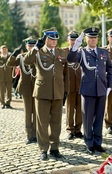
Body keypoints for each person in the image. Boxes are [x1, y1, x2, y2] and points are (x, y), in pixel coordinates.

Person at [23, 28, 68, 161]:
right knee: (42, 122)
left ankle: (55, 148)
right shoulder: (38, 52)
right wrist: (36, 47)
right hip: (42, 92)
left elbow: (66, 72)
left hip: (58, 92)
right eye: (51, 39)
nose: (54, 41)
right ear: (45, 39)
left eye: (56, 39)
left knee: (56, 122)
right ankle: (43, 149)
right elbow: (26, 61)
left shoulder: (61, 52)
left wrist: (65, 90)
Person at [67, 27, 112, 155]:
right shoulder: (82, 52)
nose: (93, 39)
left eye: (95, 37)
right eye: (90, 37)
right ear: (86, 39)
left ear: (97, 39)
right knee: (87, 118)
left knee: (99, 117)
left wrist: (109, 86)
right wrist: (76, 45)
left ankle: (98, 142)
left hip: (101, 89)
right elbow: (70, 59)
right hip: (87, 90)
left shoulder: (104, 52)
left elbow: (109, 68)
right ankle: (89, 143)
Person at [7, 37, 37, 144]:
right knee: (28, 113)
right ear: (26, 46)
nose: (31, 47)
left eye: (33, 46)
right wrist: (14, 54)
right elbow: (9, 64)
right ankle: (29, 135)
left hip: (37, 88)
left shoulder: (38, 56)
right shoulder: (21, 57)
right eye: (29, 46)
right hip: (25, 88)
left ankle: (36, 134)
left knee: (37, 113)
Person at [64, 31, 83, 140]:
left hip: (80, 84)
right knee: (70, 109)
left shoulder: (82, 52)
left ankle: (78, 129)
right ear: (68, 40)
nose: (73, 41)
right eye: (71, 39)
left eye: (75, 40)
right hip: (69, 84)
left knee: (80, 109)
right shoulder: (64, 52)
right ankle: (70, 130)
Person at [0, 45, 13, 109]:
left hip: (9, 77)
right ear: (0, 51)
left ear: (7, 50)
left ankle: (8, 103)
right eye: (3, 49)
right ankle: (2, 103)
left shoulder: (10, 57)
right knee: (1, 91)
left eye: (5, 49)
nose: (4, 51)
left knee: (9, 91)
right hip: (1, 78)